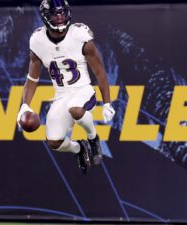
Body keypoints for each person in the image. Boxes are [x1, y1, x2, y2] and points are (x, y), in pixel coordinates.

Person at [17, 0, 115, 174]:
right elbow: (32, 78)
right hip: (61, 95)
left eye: (63, 13)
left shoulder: (79, 35)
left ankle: (93, 140)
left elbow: (100, 72)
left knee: (75, 109)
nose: (61, 17)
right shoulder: (38, 40)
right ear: (46, 17)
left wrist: (107, 103)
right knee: (54, 142)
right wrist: (25, 105)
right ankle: (79, 149)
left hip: (83, 90)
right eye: (56, 14)